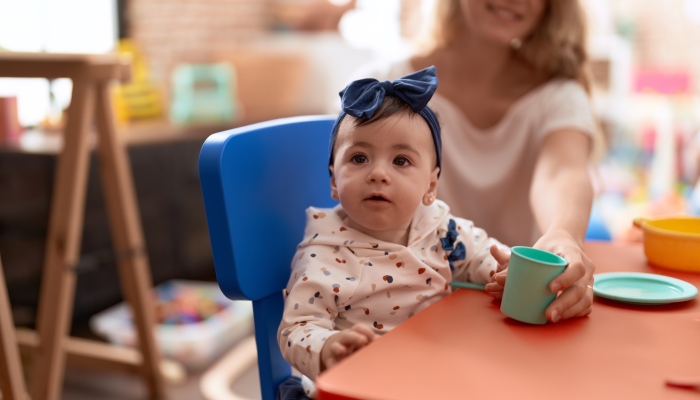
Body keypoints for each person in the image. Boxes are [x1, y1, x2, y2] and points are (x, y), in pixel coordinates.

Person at [352, 0, 600, 324]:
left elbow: (562, 171)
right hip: (397, 313)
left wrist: (564, 233)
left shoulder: (559, 96)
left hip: (510, 310)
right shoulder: (380, 84)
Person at [277, 66, 510, 398]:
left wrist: (503, 267)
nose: (378, 174)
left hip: (429, 370)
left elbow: (480, 252)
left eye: (401, 161)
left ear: (431, 185)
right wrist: (327, 349)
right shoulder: (326, 253)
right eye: (359, 158)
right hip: (358, 383)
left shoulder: (439, 227)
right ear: (333, 180)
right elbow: (296, 330)